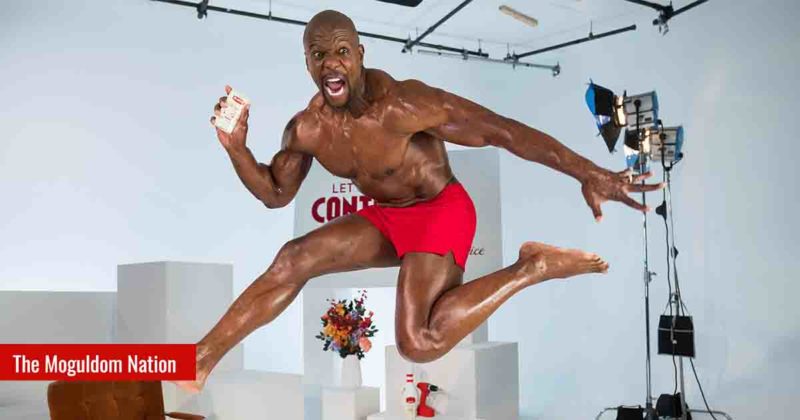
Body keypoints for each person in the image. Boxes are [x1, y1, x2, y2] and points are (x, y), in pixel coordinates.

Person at [176, 9, 662, 393]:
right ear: (306, 62)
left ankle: (531, 266)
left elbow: (504, 132)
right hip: (389, 217)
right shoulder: (307, 129)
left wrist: (589, 173)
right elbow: (276, 194)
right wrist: (237, 149)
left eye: (341, 52)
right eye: (318, 55)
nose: (330, 64)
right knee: (292, 258)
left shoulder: (404, 105)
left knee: (419, 341)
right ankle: (200, 360)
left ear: (360, 54)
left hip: (441, 208)